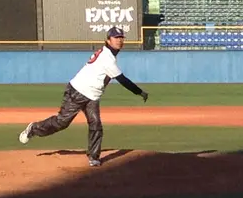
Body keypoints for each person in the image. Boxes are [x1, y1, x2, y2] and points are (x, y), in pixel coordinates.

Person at [19, 27, 148, 167]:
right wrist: (140, 92)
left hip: (92, 95)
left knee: (96, 124)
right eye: (116, 37)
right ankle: (34, 128)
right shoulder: (107, 58)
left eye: (121, 37)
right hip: (78, 91)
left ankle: (93, 157)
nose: (119, 40)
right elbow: (122, 80)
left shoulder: (108, 54)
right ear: (108, 40)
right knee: (62, 122)